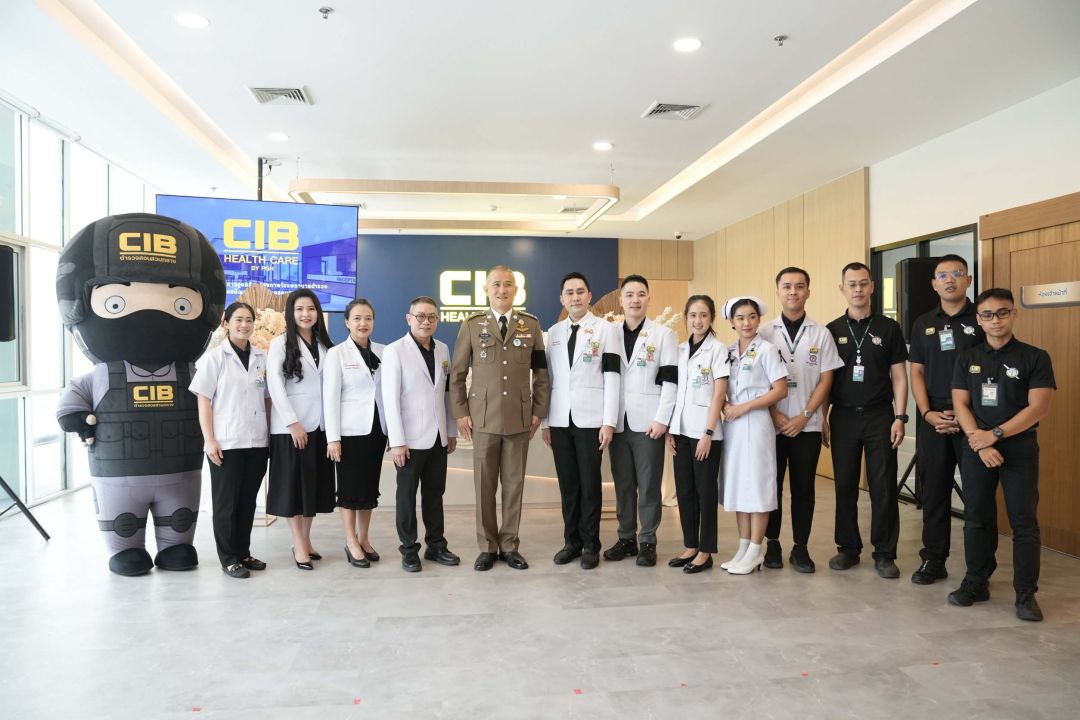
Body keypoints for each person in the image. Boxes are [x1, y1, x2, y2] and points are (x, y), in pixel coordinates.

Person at [948, 288, 1055, 622]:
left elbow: (1039, 408)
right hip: (977, 447)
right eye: (988, 315)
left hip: (1019, 447)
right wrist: (979, 442)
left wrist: (994, 435)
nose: (995, 320)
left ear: (1014, 314)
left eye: (1002, 312)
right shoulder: (967, 357)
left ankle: (1026, 593)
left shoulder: (1035, 357)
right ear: (979, 320)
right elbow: (960, 403)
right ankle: (976, 581)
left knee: (1024, 521)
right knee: (976, 517)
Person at [450, 265, 550, 572]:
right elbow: (457, 373)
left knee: (514, 485)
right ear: (486, 289)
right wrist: (461, 412)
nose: (502, 290)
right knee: (484, 486)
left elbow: (541, 373)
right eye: (496, 284)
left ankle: (509, 545)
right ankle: (487, 546)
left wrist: (538, 411)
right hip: (483, 419)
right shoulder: (472, 325)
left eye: (508, 285)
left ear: (516, 290)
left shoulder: (530, 325)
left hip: (520, 419)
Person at [823, 262, 909, 579]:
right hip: (843, 416)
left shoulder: (889, 328)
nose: (858, 289)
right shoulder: (831, 330)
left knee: (883, 486)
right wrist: (823, 418)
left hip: (879, 416)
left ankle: (885, 553)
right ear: (842, 289)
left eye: (863, 283)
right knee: (844, 485)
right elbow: (825, 380)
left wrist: (900, 416)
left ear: (872, 286)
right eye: (852, 284)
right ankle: (847, 548)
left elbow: (899, 376)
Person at [759, 267, 843, 573]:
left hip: (807, 425)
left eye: (799, 286)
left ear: (808, 291)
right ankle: (772, 545)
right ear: (778, 291)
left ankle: (800, 548)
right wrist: (775, 414)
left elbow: (826, 380)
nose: (793, 292)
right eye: (787, 286)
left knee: (804, 488)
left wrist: (806, 415)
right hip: (771, 425)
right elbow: (757, 381)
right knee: (772, 486)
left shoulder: (821, 333)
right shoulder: (764, 332)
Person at [908, 254, 983, 585]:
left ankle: (979, 569)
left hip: (975, 421)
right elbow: (917, 372)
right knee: (934, 493)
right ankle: (933, 560)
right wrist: (927, 413)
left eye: (957, 273)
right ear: (934, 284)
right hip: (934, 418)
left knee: (977, 497)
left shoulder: (982, 318)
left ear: (968, 280)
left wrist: (968, 417)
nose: (950, 280)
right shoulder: (922, 322)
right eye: (943, 275)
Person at [542, 272, 621, 570]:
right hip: (560, 420)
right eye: (569, 292)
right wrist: (547, 422)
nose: (575, 297)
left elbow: (612, 377)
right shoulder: (554, 333)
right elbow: (548, 380)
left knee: (590, 485)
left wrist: (608, 421)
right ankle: (571, 542)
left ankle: (590, 544)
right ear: (562, 298)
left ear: (589, 296)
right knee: (568, 485)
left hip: (591, 420)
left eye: (580, 292)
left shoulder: (606, 330)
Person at [189, 302, 270, 579]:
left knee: (248, 502)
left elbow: (267, 399)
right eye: (238, 320)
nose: (244, 325)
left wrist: (270, 434)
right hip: (226, 443)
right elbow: (203, 401)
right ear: (226, 323)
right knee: (226, 504)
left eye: (249, 320)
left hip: (256, 442)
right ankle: (229, 558)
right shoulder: (214, 358)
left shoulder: (261, 358)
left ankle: (243, 552)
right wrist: (209, 440)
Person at [381, 296, 460, 572]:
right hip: (409, 440)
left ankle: (436, 545)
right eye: (420, 316)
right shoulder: (395, 351)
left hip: (438, 437)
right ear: (409, 318)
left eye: (432, 317)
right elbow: (390, 399)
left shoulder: (443, 349)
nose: (426, 322)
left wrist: (451, 431)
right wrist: (397, 441)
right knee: (406, 497)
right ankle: (408, 549)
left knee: (434, 494)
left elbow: (446, 393)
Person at [604, 275, 678, 567]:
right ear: (621, 300)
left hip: (649, 423)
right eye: (630, 295)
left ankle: (647, 540)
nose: (635, 300)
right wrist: (607, 420)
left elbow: (670, 380)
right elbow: (607, 378)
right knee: (623, 484)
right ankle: (626, 538)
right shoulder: (609, 334)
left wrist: (662, 419)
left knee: (648, 485)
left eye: (641, 294)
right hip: (617, 421)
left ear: (649, 298)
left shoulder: (663, 335)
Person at [266, 288, 335, 571]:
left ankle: (305, 541)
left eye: (311, 309)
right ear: (291, 314)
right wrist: (292, 422)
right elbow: (275, 385)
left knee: (311, 489)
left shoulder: (325, 345)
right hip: (291, 429)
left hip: (319, 426)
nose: (306, 314)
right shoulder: (280, 344)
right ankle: (298, 543)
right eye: (299, 309)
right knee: (293, 490)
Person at [720, 296, 788, 575]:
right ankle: (744, 546)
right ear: (731, 322)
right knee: (739, 485)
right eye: (740, 318)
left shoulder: (767, 350)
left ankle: (756, 549)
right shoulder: (727, 351)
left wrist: (744, 407)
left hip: (757, 423)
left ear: (759, 319)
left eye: (751, 317)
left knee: (758, 486)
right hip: (733, 425)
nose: (746, 323)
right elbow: (720, 387)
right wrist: (725, 405)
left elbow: (780, 389)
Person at [323, 298, 387, 570]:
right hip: (349, 433)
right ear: (347, 322)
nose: (363, 323)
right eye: (357, 318)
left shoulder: (384, 351)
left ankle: (364, 538)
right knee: (350, 489)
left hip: (377, 430)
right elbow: (330, 398)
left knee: (369, 488)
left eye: (368, 318)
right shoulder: (336, 354)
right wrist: (333, 438)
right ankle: (350, 541)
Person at [667, 295, 728, 574]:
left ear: (711, 317)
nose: (698, 320)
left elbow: (719, 394)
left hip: (705, 433)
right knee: (685, 492)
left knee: (705, 492)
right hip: (680, 431)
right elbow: (674, 393)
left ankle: (706, 551)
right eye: (692, 315)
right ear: (686, 318)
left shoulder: (718, 349)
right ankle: (691, 545)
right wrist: (670, 429)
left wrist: (708, 432)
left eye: (703, 315)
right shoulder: (679, 350)